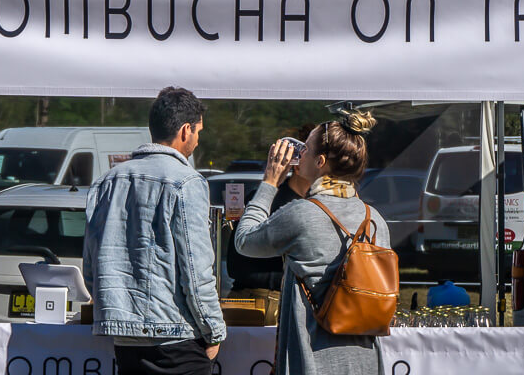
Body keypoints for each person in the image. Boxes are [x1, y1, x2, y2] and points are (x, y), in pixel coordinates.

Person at [235, 110, 389, 375]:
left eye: (304, 149)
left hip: (312, 361)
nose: (298, 155)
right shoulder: (375, 220)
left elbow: (244, 241)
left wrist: (270, 182)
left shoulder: (302, 213)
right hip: (366, 361)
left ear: (319, 162)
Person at [84, 87, 226, 375]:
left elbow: (91, 265)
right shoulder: (187, 181)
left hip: (125, 339)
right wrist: (214, 329)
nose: (198, 140)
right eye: (198, 132)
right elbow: (197, 268)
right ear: (185, 130)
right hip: (176, 336)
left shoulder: (107, 182)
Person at [225, 126, 315, 325]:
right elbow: (237, 261)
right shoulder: (265, 201)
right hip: (260, 302)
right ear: (297, 162)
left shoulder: (319, 205)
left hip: (293, 302)